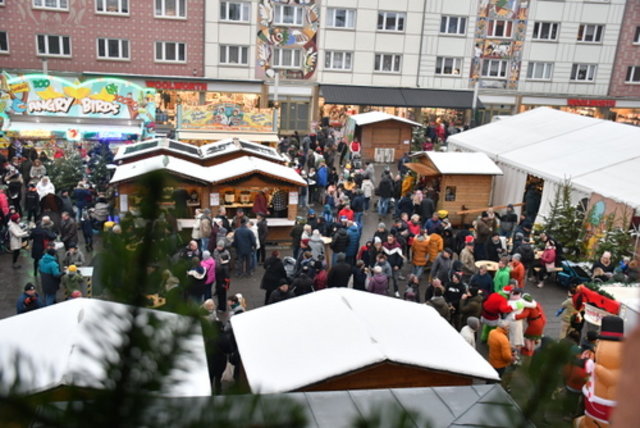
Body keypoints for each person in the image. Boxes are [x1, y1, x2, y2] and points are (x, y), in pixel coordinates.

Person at [213, 241, 231, 311]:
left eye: (220, 246)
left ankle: (222, 308)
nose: (218, 247)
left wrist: (225, 285)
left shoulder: (224, 267)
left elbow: (226, 278)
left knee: (222, 296)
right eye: (217, 246)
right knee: (220, 294)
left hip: (222, 283)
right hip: (219, 277)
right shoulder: (215, 251)